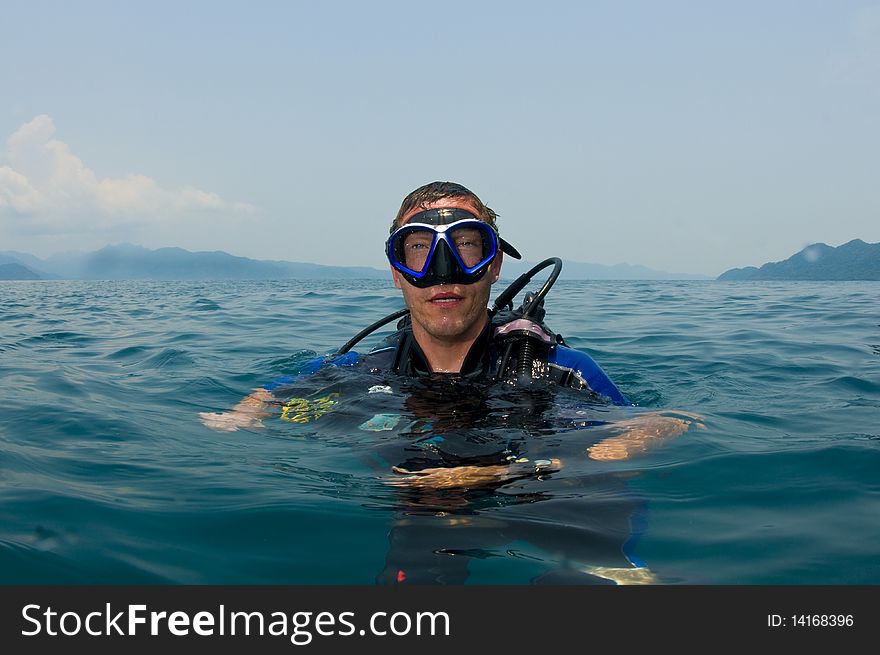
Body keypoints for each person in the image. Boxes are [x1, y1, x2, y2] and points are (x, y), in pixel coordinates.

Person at [200, 181, 699, 465]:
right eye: (419, 250)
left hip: (547, 503)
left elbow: (668, 422)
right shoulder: (362, 369)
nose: (443, 274)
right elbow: (274, 393)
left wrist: (535, 469)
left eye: (465, 247)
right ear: (397, 272)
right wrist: (244, 414)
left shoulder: (562, 371)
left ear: (495, 265)